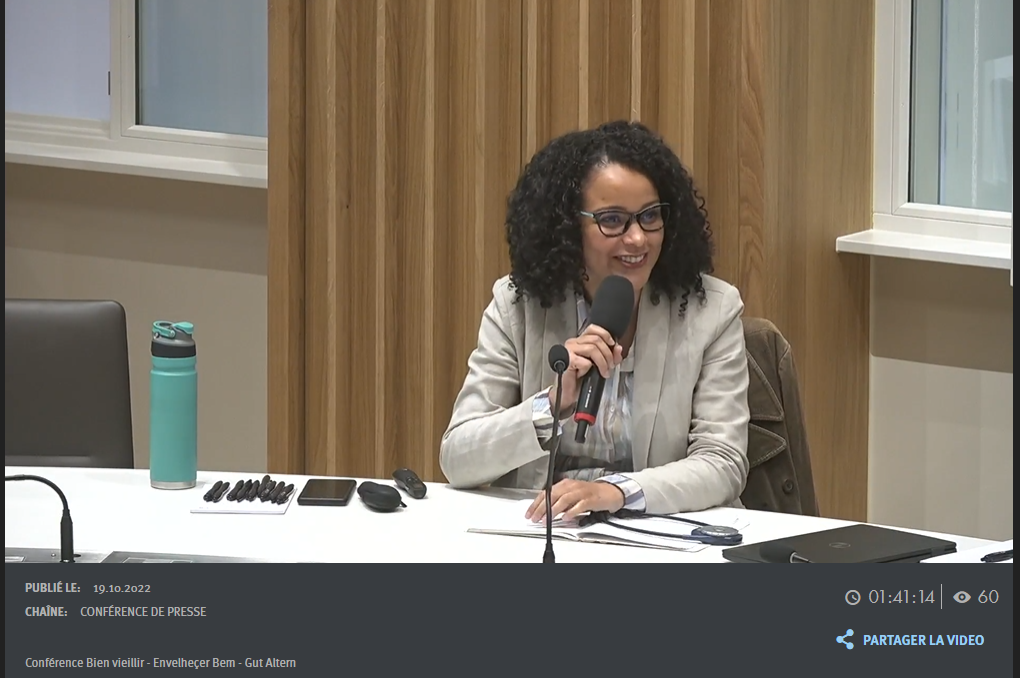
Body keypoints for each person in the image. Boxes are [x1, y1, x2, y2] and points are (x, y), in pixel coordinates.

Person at [439, 120, 750, 523]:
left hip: (657, 530)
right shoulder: (518, 306)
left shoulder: (711, 310)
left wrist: (615, 492)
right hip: (547, 531)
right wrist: (550, 405)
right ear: (569, 227)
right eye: (613, 220)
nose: (637, 238)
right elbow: (458, 458)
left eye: (650, 216)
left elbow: (723, 461)